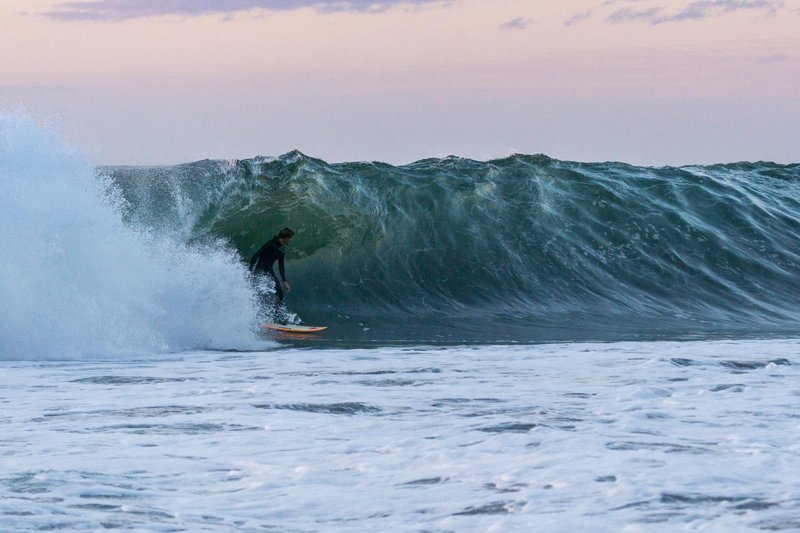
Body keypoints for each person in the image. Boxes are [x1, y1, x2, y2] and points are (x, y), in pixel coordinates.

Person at [249, 227, 295, 320]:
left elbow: (281, 266)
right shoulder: (270, 244)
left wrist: (284, 281)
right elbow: (256, 254)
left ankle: (276, 317)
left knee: (280, 294)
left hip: (269, 272)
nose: (291, 240)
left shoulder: (282, 250)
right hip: (260, 270)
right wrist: (250, 270)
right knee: (256, 293)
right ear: (285, 237)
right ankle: (252, 314)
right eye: (290, 238)